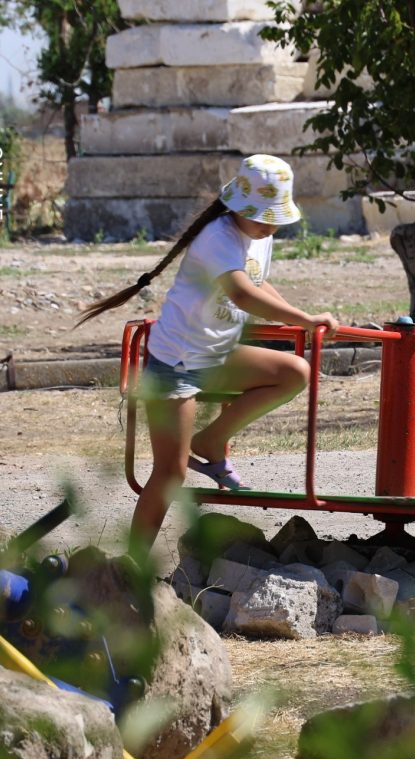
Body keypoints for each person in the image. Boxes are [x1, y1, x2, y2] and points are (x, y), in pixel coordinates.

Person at [75, 154, 339, 554]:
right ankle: (132, 565)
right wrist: (303, 318)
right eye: (265, 216)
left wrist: (297, 318)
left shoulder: (259, 237)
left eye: (275, 217)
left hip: (216, 356)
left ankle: (211, 442)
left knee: (294, 372)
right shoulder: (218, 236)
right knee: (170, 473)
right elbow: (240, 292)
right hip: (175, 363)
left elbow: (258, 285)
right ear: (239, 208)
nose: (271, 225)